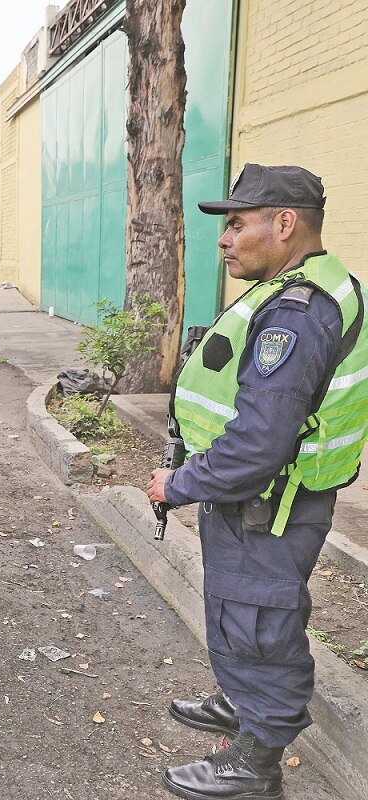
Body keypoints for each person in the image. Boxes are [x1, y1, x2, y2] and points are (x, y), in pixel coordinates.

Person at [146, 164, 368, 800]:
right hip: (274, 501)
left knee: (258, 620)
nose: (225, 237)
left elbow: (259, 443)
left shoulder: (296, 314)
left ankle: (255, 759)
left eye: (238, 223)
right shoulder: (314, 283)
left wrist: (180, 483)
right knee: (248, 612)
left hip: (267, 505)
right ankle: (241, 703)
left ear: (287, 224)